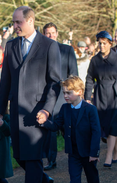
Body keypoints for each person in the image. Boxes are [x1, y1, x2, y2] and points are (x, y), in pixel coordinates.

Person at [0, 6, 61, 183]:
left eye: (18, 22)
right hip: (15, 113)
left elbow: (54, 82)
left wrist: (47, 109)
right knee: (20, 156)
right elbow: (5, 82)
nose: (14, 26)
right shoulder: (11, 45)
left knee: (32, 160)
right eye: (13, 22)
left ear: (30, 21)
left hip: (37, 113)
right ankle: (44, 181)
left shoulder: (49, 46)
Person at [41, 76, 102, 183]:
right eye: (64, 93)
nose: (65, 96)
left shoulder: (90, 109)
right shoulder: (65, 109)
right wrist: (44, 122)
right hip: (73, 153)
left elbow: (96, 132)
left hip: (88, 153)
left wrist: (94, 153)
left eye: (69, 93)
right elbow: (56, 126)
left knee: (92, 181)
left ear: (80, 92)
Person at [84, 31, 117, 167]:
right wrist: (87, 98)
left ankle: (109, 155)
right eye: (99, 43)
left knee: (114, 125)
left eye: (104, 43)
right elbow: (89, 79)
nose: (101, 46)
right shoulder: (95, 60)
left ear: (110, 44)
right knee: (104, 126)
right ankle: (116, 150)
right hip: (100, 95)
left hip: (116, 95)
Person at [43, 22, 78, 171]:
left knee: (68, 128)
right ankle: (51, 160)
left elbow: (74, 73)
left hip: (65, 94)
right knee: (50, 129)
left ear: (57, 34)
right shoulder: (40, 52)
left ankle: (78, 154)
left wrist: (70, 92)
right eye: (47, 33)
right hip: (48, 95)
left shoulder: (67, 50)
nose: (50, 36)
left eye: (52, 33)